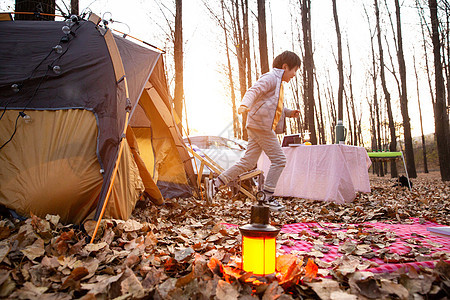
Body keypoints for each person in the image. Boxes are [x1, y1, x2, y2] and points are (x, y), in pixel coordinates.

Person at [210, 50, 301, 211]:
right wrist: (244, 104)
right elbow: (254, 91)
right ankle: (267, 197)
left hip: (257, 124)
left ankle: (216, 184)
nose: (294, 74)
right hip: (261, 125)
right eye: (294, 70)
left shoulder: (278, 83)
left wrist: (288, 112)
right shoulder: (271, 77)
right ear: (285, 67)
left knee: (248, 162)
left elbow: (273, 106)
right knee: (279, 160)